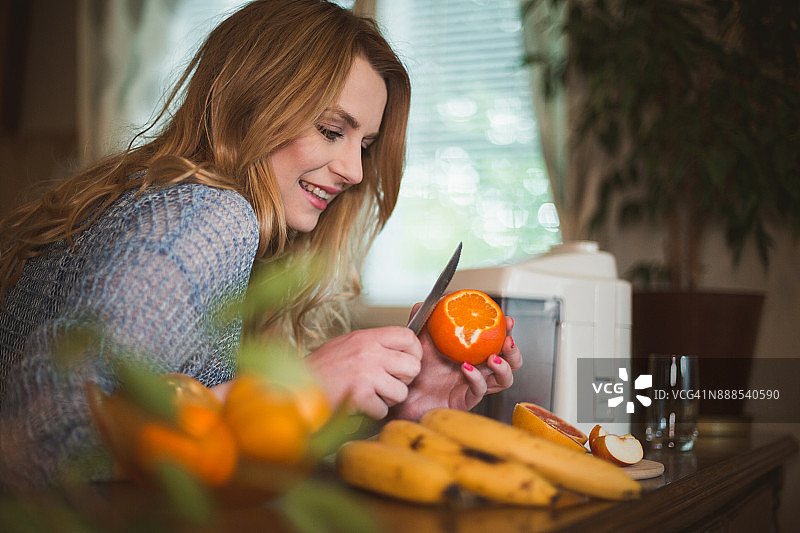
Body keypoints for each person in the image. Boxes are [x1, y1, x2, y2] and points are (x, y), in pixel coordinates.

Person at [0, 0, 521, 490]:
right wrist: (293, 390)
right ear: (250, 105)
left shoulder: (190, 213)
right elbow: (36, 438)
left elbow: (211, 458)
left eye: (364, 145)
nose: (356, 171)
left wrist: (394, 411)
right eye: (330, 129)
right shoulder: (205, 218)